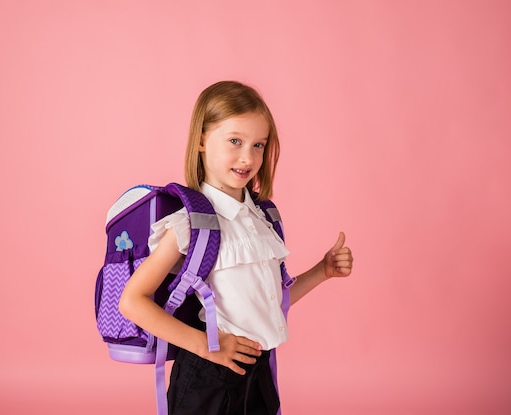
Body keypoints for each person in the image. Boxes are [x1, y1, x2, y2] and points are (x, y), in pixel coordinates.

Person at [119, 80, 353, 415]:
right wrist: (207, 346)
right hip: (208, 376)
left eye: (259, 145)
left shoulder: (263, 217)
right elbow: (132, 301)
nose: (248, 157)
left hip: (257, 371)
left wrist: (323, 271)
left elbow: (269, 301)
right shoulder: (190, 223)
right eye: (235, 141)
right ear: (201, 140)